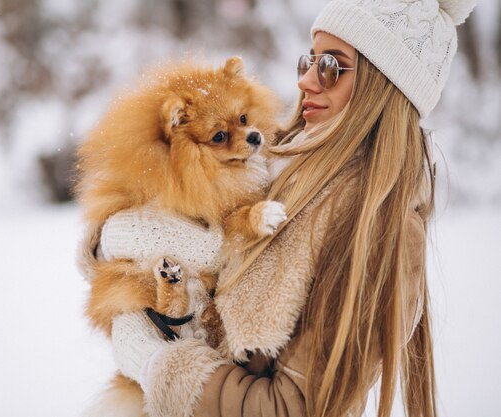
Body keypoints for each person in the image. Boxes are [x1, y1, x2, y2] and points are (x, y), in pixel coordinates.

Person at [106, 0, 477, 416]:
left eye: (332, 68)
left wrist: (157, 364)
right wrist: (118, 240)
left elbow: (293, 407)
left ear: (382, 87)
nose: (305, 82)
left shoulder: (378, 228)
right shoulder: (278, 156)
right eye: (309, 61)